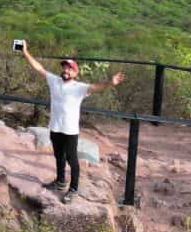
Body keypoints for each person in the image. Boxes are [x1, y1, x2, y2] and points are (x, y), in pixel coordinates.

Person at [20, 41, 124, 203]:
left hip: (70, 130)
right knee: (58, 156)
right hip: (55, 127)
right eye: (65, 67)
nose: (66, 70)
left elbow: (97, 87)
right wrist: (25, 52)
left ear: (75, 73)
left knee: (72, 160)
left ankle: (73, 189)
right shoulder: (54, 81)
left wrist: (110, 83)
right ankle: (60, 182)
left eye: (70, 68)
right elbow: (38, 68)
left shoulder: (79, 87)